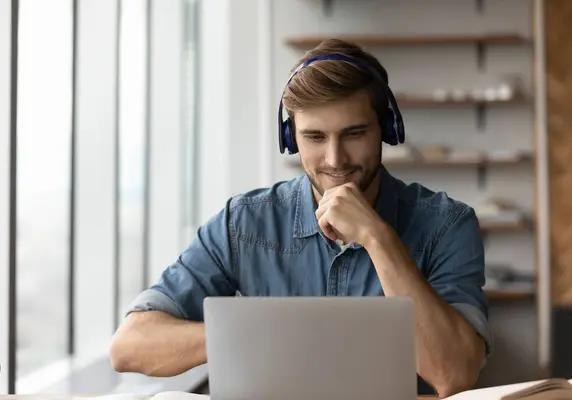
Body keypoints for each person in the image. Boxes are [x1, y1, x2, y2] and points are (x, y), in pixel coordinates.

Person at [109, 39, 491, 398]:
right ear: (292, 138)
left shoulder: (447, 225)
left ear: (387, 130)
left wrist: (378, 238)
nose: (335, 159)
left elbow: (454, 372)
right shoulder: (242, 224)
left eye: (354, 133)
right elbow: (130, 347)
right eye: (315, 137)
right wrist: (258, 334)